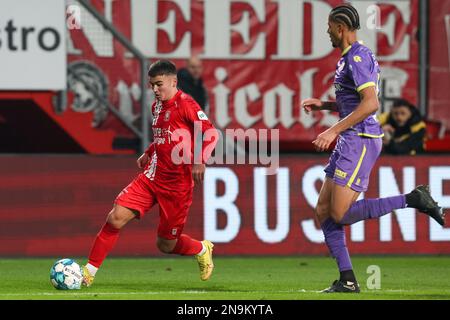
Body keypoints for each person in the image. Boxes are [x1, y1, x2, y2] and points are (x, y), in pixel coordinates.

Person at [301, 4, 445, 293]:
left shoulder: (356, 56)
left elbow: (371, 104)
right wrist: (326, 105)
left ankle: (413, 199)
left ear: (340, 28)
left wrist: (332, 129)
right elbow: (357, 100)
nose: (327, 31)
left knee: (339, 213)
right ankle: (347, 279)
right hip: (350, 138)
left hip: (361, 140)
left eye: (329, 26)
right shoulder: (350, 57)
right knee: (323, 211)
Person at [81, 60, 219, 287]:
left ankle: (202, 248)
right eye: (152, 85)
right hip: (152, 176)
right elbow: (166, 136)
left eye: (159, 84)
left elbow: (211, 133)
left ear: (173, 82)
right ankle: (88, 272)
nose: (155, 90)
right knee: (115, 218)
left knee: (166, 245)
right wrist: (149, 151)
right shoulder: (156, 107)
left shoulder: (186, 104)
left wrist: (199, 160)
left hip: (177, 185)